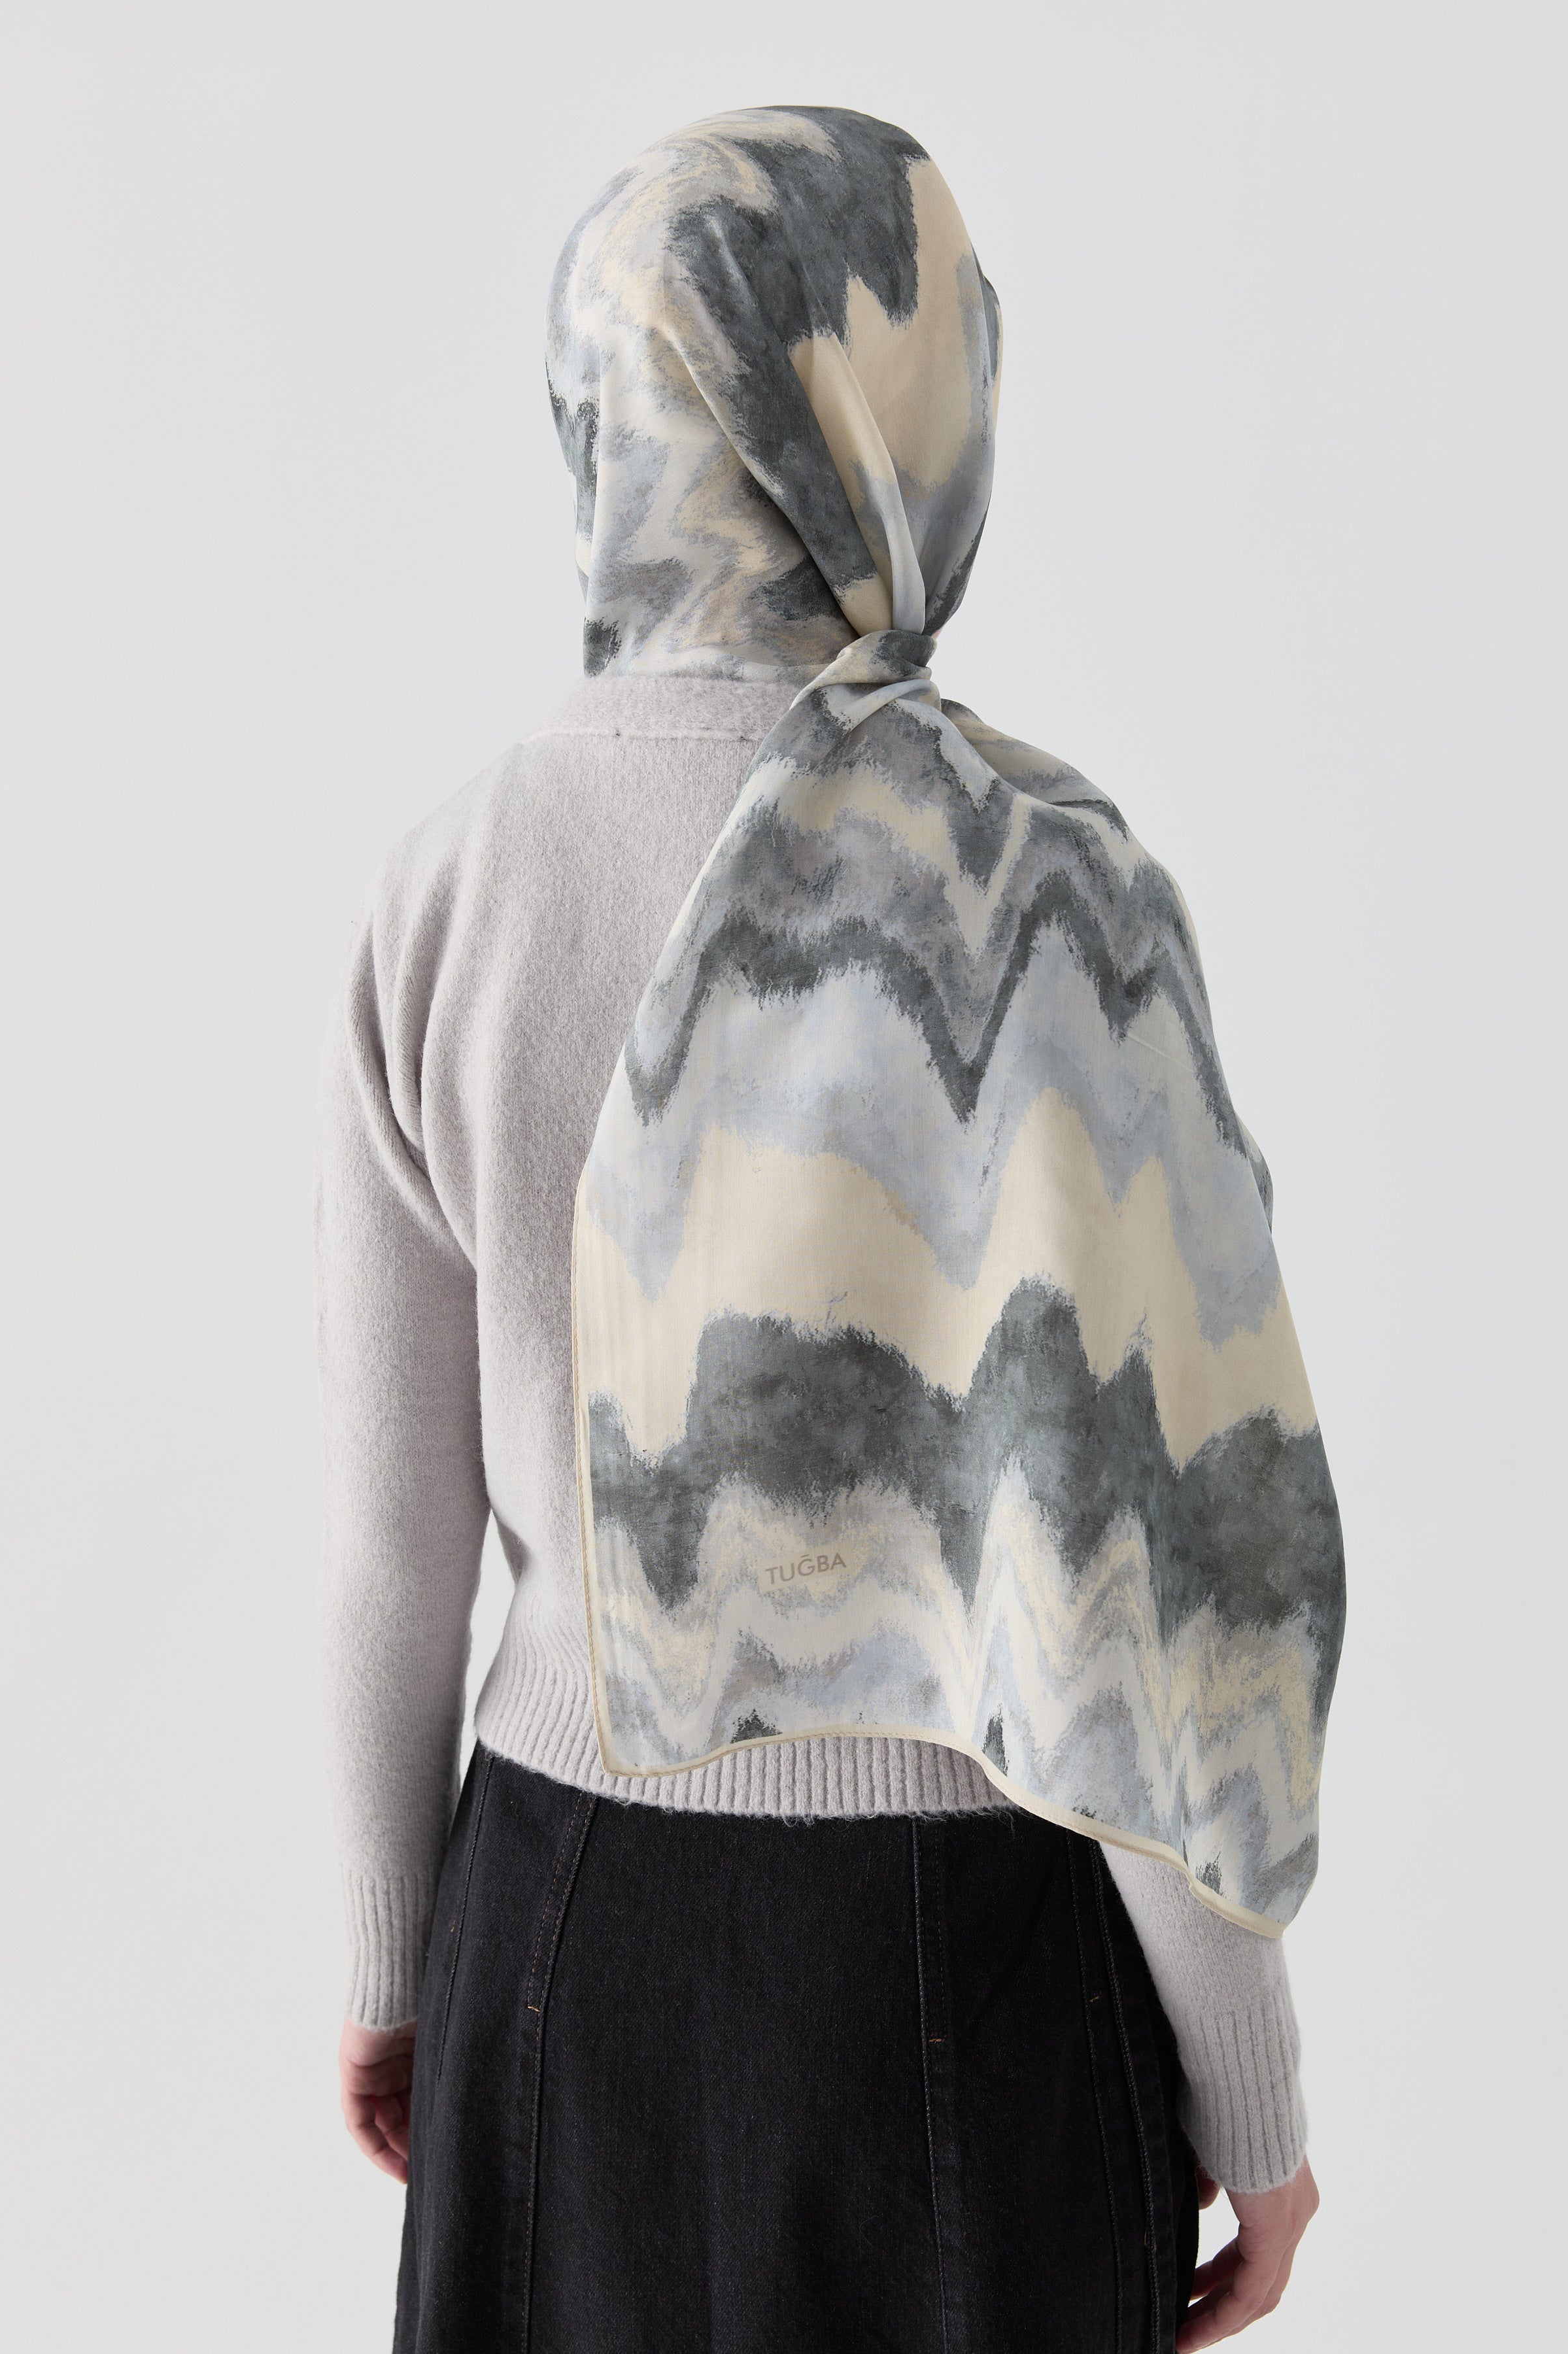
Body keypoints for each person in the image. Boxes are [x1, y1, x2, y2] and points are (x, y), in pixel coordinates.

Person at [319, 106, 1338, 2354]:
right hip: (970, 1954)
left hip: (556, 1927)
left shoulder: (450, 883)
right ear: (901, 409)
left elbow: (396, 1547)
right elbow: (1144, 1606)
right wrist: (1252, 2105)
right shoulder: (1048, 892)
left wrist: (400, 1962)